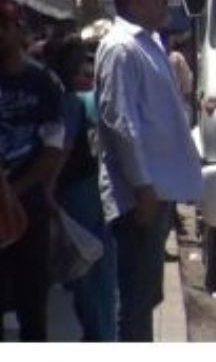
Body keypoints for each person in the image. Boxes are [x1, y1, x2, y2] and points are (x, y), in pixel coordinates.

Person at [96, 0, 203, 341]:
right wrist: (142, 188)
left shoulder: (149, 44)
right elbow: (120, 122)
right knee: (136, 300)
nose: (166, 2)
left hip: (159, 191)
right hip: (142, 195)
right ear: (136, 1)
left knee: (146, 296)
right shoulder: (121, 48)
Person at [42, 33, 117, 341]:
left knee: (84, 266)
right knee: (98, 264)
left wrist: (48, 189)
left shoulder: (67, 101)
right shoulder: (85, 98)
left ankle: (98, 333)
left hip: (76, 191)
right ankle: (103, 333)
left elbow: (63, 148)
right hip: (93, 187)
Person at [0, 0, 66, 341]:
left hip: (28, 211)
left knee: (32, 309)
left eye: (3, 26)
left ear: (18, 29)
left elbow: (53, 150)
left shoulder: (43, 83)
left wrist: (14, 191)